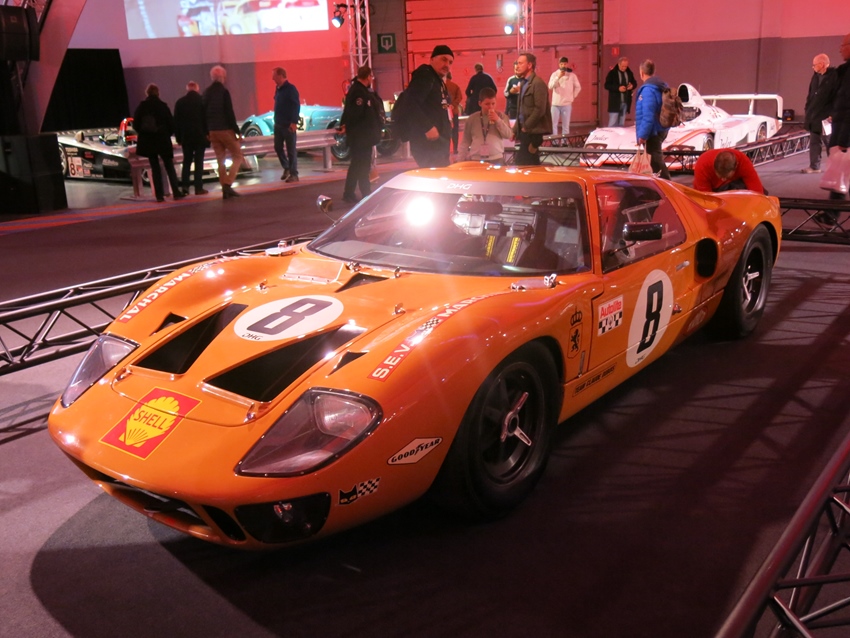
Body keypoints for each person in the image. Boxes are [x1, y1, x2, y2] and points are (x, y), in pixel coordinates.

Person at [405, 44, 454, 168]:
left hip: (438, 143)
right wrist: (427, 127)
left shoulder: (437, 80)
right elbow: (410, 103)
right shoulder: (425, 75)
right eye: (443, 59)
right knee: (436, 177)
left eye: (450, 62)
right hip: (429, 144)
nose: (447, 65)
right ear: (432, 59)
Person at [133, 84, 184, 203]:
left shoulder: (142, 107)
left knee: (155, 168)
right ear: (158, 92)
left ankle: (159, 196)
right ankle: (176, 192)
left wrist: (144, 134)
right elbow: (171, 124)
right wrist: (166, 133)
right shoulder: (163, 106)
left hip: (149, 141)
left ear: (147, 93)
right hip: (163, 139)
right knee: (169, 166)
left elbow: (136, 124)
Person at [339, 65, 383, 203]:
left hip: (360, 136)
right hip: (361, 137)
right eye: (371, 77)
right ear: (368, 77)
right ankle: (365, 193)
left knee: (356, 165)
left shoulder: (358, 90)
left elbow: (349, 112)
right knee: (362, 165)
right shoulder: (359, 92)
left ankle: (349, 193)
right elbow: (356, 114)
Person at [203, 65, 243, 199]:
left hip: (212, 131)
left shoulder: (206, 92)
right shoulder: (224, 92)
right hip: (225, 129)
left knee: (220, 159)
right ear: (223, 77)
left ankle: (224, 188)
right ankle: (227, 184)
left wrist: (206, 131)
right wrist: (237, 131)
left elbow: (203, 113)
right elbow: (229, 112)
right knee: (238, 155)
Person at [512, 52, 552, 166]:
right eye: (517, 63)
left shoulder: (538, 83)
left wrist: (526, 127)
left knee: (524, 164)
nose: (517, 66)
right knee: (527, 164)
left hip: (533, 133)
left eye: (520, 63)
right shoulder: (523, 83)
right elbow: (521, 110)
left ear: (529, 65)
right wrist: (515, 130)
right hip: (525, 132)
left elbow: (540, 109)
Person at [634, 59, 671, 180]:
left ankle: (668, 186)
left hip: (652, 132)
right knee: (654, 162)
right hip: (660, 129)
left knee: (656, 163)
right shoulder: (660, 86)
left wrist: (642, 135)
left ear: (641, 72)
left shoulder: (648, 90)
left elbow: (648, 116)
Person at [802, 54, 838, 173]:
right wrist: (807, 109)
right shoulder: (815, 77)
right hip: (814, 116)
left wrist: (833, 114)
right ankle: (814, 166)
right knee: (814, 142)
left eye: (814, 65)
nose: (813, 67)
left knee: (829, 142)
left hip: (826, 117)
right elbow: (810, 95)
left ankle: (836, 168)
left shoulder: (834, 77)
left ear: (822, 64)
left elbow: (838, 97)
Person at [173, 81, 209, 196]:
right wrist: (208, 134)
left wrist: (179, 138)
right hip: (200, 136)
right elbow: (206, 119)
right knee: (199, 162)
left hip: (186, 138)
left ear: (187, 89)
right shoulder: (202, 101)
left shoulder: (180, 102)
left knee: (187, 161)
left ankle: (185, 187)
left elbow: (176, 122)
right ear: (197, 89)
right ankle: (198, 188)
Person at [826, 33, 850, 202]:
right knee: (842, 173)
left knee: (843, 171)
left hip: (845, 134)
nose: (840, 50)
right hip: (842, 130)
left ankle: (832, 212)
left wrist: (844, 139)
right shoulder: (844, 72)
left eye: (843, 45)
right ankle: (832, 212)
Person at [457, 87, 511, 162]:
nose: (491, 107)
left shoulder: (501, 116)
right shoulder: (472, 119)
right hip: (476, 159)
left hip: (496, 158)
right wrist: (459, 160)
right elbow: (465, 141)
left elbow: (508, 135)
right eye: (487, 104)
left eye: (493, 103)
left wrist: (498, 120)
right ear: (480, 103)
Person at [272, 66, 301, 183]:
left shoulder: (291, 89)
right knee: (277, 147)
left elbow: (296, 106)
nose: (272, 78)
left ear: (280, 76)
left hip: (288, 125)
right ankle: (286, 167)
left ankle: (294, 174)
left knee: (291, 150)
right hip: (278, 124)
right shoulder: (278, 89)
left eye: (274, 76)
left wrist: (294, 122)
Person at [693, 149, 765, 193]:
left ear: (735, 167)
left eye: (726, 177)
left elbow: (756, 189)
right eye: (720, 176)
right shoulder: (702, 165)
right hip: (710, 190)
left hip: (733, 185)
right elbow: (705, 197)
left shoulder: (743, 162)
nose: (723, 179)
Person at [548, 57, 581, 135]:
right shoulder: (555, 74)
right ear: (559, 64)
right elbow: (550, 86)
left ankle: (564, 141)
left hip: (566, 104)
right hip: (555, 104)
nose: (563, 66)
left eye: (565, 64)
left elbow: (578, 87)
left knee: (565, 126)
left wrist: (572, 96)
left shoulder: (572, 75)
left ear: (567, 64)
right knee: (553, 125)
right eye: (561, 64)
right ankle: (555, 140)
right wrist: (558, 77)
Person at [604, 57, 636, 127]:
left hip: (625, 102)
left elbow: (634, 82)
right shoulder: (612, 73)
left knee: (621, 124)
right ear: (618, 64)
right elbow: (606, 85)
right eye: (622, 66)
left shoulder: (629, 73)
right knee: (612, 123)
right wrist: (618, 88)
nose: (624, 68)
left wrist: (632, 86)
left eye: (625, 66)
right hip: (615, 103)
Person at [445, 71, 463, 155]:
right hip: (454, 111)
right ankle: (455, 149)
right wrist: (453, 104)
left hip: (443, 112)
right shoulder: (455, 86)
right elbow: (460, 97)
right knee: (455, 130)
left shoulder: (441, 86)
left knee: (445, 131)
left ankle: (446, 149)